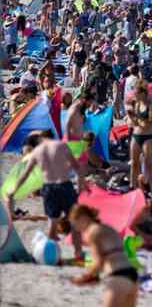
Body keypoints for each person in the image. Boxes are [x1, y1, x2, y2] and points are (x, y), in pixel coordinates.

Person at [6, 130, 85, 260]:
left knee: (52, 223)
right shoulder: (61, 146)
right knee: (74, 221)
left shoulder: (38, 151)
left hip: (49, 188)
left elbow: (25, 174)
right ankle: (78, 254)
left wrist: (13, 190)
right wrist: (83, 184)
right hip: (65, 185)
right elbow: (77, 167)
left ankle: (49, 255)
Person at [68, 205, 138, 307]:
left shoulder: (91, 232)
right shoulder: (108, 228)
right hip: (132, 275)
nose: (77, 229)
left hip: (118, 276)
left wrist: (84, 277)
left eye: (75, 224)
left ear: (82, 218)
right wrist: (94, 277)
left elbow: (98, 262)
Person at [126, 81, 152, 189]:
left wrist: (135, 117)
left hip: (147, 136)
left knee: (149, 164)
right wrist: (131, 116)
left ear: (143, 93)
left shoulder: (151, 105)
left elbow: (149, 123)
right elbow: (135, 123)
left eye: (136, 94)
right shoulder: (137, 104)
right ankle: (132, 186)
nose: (135, 96)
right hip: (136, 135)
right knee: (134, 163)